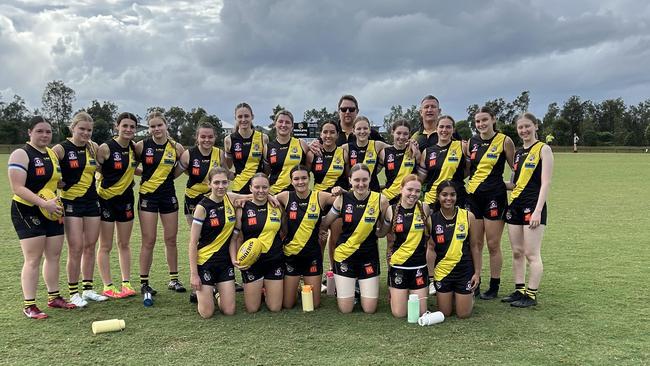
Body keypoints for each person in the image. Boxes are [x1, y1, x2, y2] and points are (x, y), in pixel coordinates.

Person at [9, 116, 75, 319]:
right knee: (33, 258)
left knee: (54, 255)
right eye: (40, 131)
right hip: (27, 209)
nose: (45, 135)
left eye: (48, 131)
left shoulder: (51, 154)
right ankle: (29, 304)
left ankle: (54, 297)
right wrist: (43, 203)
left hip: (51, 209)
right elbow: (18, 187)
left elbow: (54, 182)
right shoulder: (21, 154)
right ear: (30, 132)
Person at [53, 112, 106, 307]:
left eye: (89, 130)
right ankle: (74, 293)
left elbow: (102, 169)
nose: (85, 133)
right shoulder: (60, 149)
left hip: (92, 202)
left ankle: (89, 289)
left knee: (90, 247)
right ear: (72, 128)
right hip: (71, 203)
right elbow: (52, 175)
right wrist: (58, 183)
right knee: (75, 248)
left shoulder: (93, 147)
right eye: (81, 129)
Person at [321, 164, 389, 314]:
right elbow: (326, 222)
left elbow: (385, 228)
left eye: (364, 180)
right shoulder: (342, 199)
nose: (361, 184)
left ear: (370, 179)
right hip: (345, 256)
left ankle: (358, 287)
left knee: (369, 309)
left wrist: (379, 232)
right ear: (350, 180)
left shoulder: (380, 200)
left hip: (369, 256)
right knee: (346, 309)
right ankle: (352, 286)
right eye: (356, 180)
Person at [464, 106, 515, 299]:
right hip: (473, 197)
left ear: (493, 119)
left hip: (495, 198)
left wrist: (510, 185)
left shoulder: (504, 141)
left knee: (493, 244)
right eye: (477, 121)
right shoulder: (472, 141)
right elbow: (469, 169)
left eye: (484, 120)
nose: (481, 124)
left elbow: (515, 167)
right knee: (474, 243)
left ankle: (494, 286)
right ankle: (475, 282)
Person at [504, 113, 554, 307]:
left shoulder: (544, 149)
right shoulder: (517, 153)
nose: (524, 130)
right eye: (520, 127)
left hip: (533, 206)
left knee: (531, 254)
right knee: (517, 251)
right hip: (514, 206)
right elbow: (514, 183)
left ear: (536, 126)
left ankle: (531, 295)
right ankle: (519, 289)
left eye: (527, 126)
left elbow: (546, 182)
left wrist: (538, 210)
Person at [136, 111, 186, 295]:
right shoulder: (142, 146)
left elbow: (182, 167)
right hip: (147, 196)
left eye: (159, 125)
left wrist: (167, 177)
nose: (156, 129)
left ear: (166, 126)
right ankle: (144, 282)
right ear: (149, 129)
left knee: (171, 239)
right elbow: (129, 165)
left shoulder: (176, 147)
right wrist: (146, 175)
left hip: (168, 195)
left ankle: (174, 279)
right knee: (148, 240)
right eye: (152, 126)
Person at [275, 165, 338, 309]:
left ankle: (303, 285)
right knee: (288, 304)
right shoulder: (285, 196)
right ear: (291, 181)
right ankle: (296, 288)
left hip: (312, 255)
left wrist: (339, 192)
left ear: (309, 179)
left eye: (304, 178)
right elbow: (265, 199)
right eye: (296, 179)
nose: (300, 182)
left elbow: (345, 201)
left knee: (314, 304)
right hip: (291, 255)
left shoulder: (320, 196)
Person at [96, 113, 139, 298]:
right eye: (125, 126)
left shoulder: (134, 148)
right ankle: (108, 285)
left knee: (124, 243)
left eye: (132, 126)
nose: (128, 129)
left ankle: (126, 283)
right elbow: (93, 168)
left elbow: (133, 168)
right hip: (105, 200)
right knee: (105, 245)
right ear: (117, 127)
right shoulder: (106, 148)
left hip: (126, 199)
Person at [188, 167, 240, 318]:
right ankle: (206, 292)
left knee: (229, 311)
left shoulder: (230, 198)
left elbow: (254, 195)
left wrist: (270, 197)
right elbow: (192, 243)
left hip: (224, 263)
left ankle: (215, 292)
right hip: (205, 263)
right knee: (207, 313)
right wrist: (194, 275)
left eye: (224, 182)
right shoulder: (202, 208)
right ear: (209, 184)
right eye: (216, 182)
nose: (221, 186)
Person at [377, 174, 431, 318]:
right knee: (399, 313)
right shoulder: (391, 210)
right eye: (409, 189)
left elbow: (431, 234)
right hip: (398, 266)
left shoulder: (424, 208)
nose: (413, 194)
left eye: (417, 191)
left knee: (420, 312)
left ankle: (409, 292)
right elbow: (382, 233)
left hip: (418, 267)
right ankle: (396, 292)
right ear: (401, 189)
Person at [230, 173, 285, 313]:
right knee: (252, 309)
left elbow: (284, 232)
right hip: (252, 262)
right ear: (250, 188)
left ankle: (267, 289)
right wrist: (238, 259)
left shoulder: (277, 206)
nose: (261, 190)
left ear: (269, 188)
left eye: (265, 187)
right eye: (257, 187)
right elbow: (236, 238)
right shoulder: (242, 208)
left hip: (274, 260)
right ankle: (260, 288)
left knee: (275, 308)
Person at [431, 180, 480, 318]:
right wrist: (430, 277)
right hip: (442, 272)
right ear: (438, 196)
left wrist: (477, 273)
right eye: (444, 195)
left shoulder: (468, 216)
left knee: (463, 314)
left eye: (452, 195)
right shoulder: (432, 219)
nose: (448, 198)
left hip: (464, 271)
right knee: (445, 313)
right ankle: (452, 295)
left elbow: (475, 246)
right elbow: (430, 249)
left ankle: (466, 296)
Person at [178, 122, 226, 226]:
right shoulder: (188, 154)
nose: (207, 140)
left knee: (213, 230)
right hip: (192, 197)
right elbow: (175, 173)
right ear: (197, 137)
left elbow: (226, 174)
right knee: (195, 233)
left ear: (215, 137)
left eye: (210, 137)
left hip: (212, 197)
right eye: (203, 137)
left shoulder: (219, 153)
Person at [418, 115, 468, 210]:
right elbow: (421, 179)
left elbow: (468, 170)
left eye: (448, 127)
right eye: (441, 126)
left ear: (453, 130)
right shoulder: (427, 152)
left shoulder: (462, 146)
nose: (444, 130)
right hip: (433, 199)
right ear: (436, 129)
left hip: (456, 198)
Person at [224, 102, 268, 194]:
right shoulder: (229, 140)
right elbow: (228, 166)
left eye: (246, 116)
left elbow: (267, 166)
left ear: (252, 117)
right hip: (239, 187)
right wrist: (230, 175)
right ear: (235, 118)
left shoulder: (263, 138)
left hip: (258, 188)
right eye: (240, 117)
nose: (243, 119)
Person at [264, 110, 310, 194]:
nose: (284, 125)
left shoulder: (301, 144)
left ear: (292, 126)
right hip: (275, 194)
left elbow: (308, 168)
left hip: (297, 194)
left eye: (287, 122)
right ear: (275, 124)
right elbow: (266, 173)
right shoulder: (267, 147)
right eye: (280, 121)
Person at [342, 116, 389, 192]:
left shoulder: (377, 145)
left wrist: (411, 143)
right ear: (353, 131)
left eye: (365, 128)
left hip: (373, 191)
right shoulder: (346, 147)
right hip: (354, 192)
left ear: (370, 130)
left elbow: (397, 148)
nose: (362, 131)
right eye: (359, 129)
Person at [380, 118, 420, 204]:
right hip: (389, 197)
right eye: (398, 133)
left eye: (405, 134)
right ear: (392, 132)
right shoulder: (384, 152)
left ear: (409, 135)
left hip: (409, 197)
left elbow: (422, 172)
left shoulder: (414, 150)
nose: (401, 137)